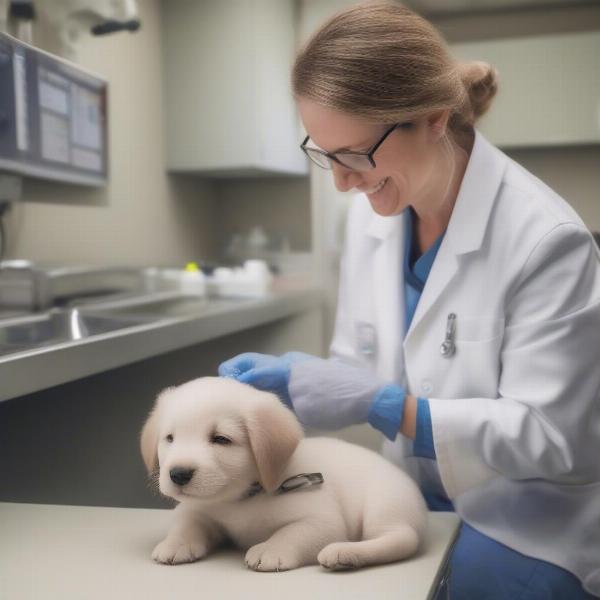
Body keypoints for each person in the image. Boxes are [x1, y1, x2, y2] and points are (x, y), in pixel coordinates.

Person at [219, 3, 600, 598]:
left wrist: (393, 408)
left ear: (433, 118)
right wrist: (302, 388)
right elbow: (360, 363)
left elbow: (554, 437)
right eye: (324, 153)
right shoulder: (371, 216)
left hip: (523, 510)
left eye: (355, 153)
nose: (342, 180)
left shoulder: (546, 239)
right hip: (405, 487)